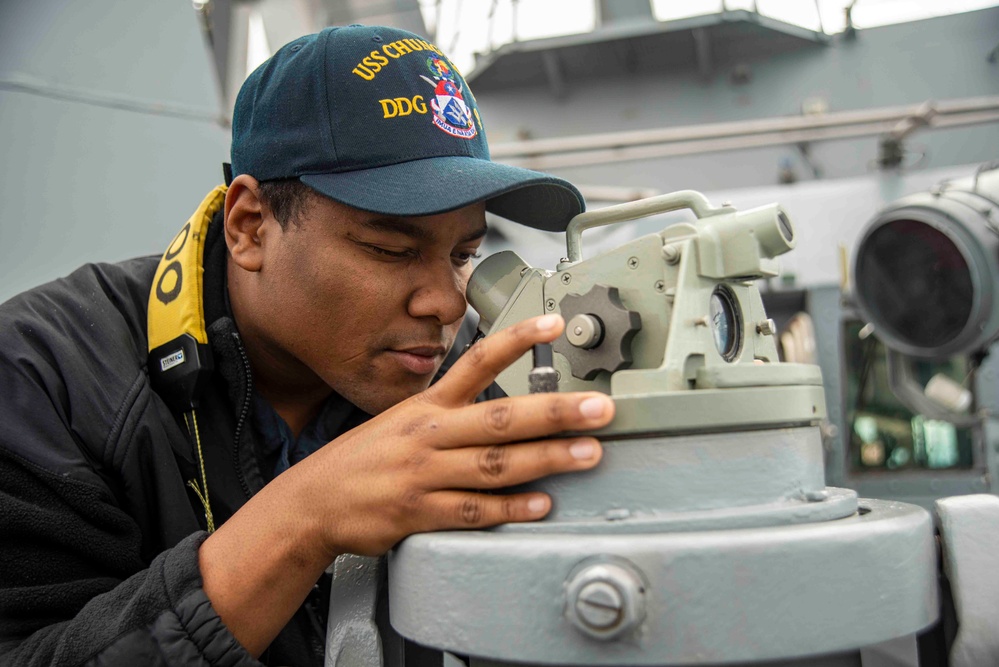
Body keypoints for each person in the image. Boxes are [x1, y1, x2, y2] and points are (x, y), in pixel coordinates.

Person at [0, 24, 614, 666]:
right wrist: (301, 520)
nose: (448, 303)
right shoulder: (43, 381)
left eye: (465, 255)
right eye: (391, 250)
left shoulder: (478, 370)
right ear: (249, 227)